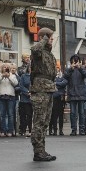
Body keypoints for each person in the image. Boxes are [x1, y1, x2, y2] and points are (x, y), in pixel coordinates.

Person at [29, 27, 57, 161]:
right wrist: (44, 38)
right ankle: (37, 151)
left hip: (49, 88)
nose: (51, 41)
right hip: (40, 90)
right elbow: (34, 49)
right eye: (50, 39)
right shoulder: (38, 52)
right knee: (39, 121)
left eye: (51, 39)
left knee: (45, 121)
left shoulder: (49, 54)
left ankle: (42, 149)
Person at [64, 54, 86, 135]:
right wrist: (71, 69)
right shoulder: (68, 69)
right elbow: (65, 77)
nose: (76, 63)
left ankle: (82, 129)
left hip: (81, 93)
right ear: (71, 62)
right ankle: (73, 129)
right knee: (73, 113)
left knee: (82, 113)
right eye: (74, 62)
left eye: (77, 61)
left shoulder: (82, 69)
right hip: (72, 93)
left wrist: (80, 68)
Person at [0, 62, 18, 137]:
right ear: (1, 68)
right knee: (2, 114)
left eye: (7, 67)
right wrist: (2, 75)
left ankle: (10, 131)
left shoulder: (13, 75)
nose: (6, 68)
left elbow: (15, 83)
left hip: (10, 96)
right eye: (4, 67)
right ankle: (3, 130)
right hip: (1, 96)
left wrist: (9, 77)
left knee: (10, 114)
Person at [49, 67, 67, 136]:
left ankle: (61, 130)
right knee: (53, 115)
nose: (57, 71)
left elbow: (64, 83)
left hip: (61, 98)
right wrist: (59, 84)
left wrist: (55, 83)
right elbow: (50, 84)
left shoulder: (63, 77)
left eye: (58, 69)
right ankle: (53, 130)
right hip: (53, 98)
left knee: (61, 115)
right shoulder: (51, 77)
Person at [16, 64, 32, 136]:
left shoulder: (37, 77)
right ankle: (23, 130)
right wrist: (27, 92)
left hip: (34, 98)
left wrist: (33, 92)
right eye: (30, 67)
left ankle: (31, 130)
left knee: (30, 115)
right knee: (23, 115)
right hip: (24, 98)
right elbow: (21, 85)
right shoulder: (23, 76)